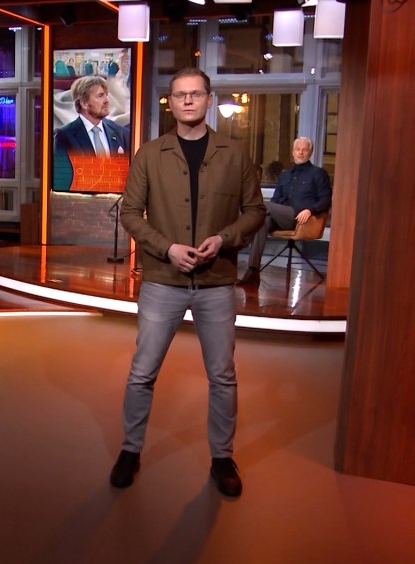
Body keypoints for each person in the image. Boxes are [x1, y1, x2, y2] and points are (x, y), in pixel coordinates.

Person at [111, 67, 266, 497]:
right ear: (171, 102)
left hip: (216, 282)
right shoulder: (149, 154)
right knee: (142, 372)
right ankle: (130, 450)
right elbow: (129, 213)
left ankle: (222, 457)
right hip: (163, 280)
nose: (188, 101)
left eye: (196, 94)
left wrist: (224, 239)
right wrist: (167, 248)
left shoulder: (234, 155)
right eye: (180, 95)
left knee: (222, 376)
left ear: (209, 99)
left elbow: (255, 211)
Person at [237, 137, 332, 285]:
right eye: (298, 149)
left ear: (310, 152)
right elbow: (275, 200)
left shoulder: (318, 173)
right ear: (293, 152)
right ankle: (253, 271)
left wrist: (310, 210)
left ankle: (237, 242)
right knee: (262, 221)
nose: (301, 153)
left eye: (304, 150)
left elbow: (325, 200)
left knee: (262, 206)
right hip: (280, 218)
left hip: (301, 219)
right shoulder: (285, 175)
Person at [53, 75, 131, 191]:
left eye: (106, 95)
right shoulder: (64, 136)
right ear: (84, 103)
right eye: (100, 96)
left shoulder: (121, 133)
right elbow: (61, 182)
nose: (106, 101)